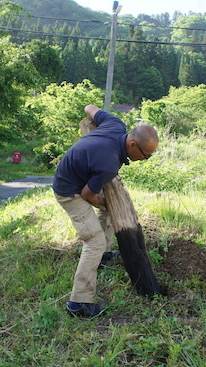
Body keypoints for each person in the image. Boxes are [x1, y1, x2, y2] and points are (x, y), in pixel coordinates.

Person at [52, 104, 159, 317]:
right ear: (132, 145)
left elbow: (89, 107)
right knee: (94, 240)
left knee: (110, 210)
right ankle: (79, 304)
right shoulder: (108, 162)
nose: (145, 160)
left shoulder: (115, 124)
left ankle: (103, 256)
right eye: (146, 156)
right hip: (69, 191)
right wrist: (106, 203)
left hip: (83, 176)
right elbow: (87, 195)